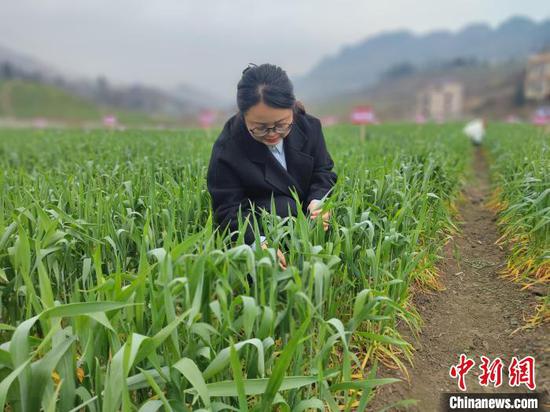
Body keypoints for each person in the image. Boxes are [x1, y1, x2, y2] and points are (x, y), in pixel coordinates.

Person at [206, 63, 337, 268]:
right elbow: (228, 207)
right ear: (243, 115)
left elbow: (323, 171)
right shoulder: (229, 147)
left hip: (306, 215)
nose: (272, 133)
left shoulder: (309, 127)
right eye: (260, 128)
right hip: (263, 219)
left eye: (281, 124)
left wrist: (318, 201)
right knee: (284, 207)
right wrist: (259, 242)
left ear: (291, 108)